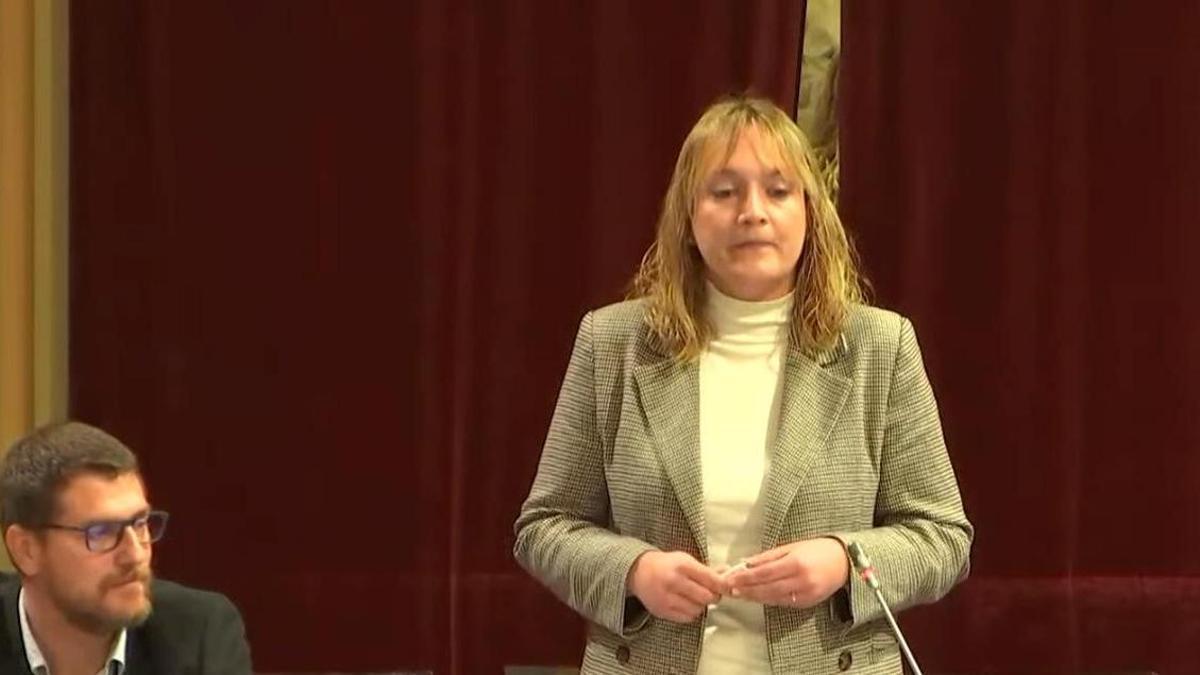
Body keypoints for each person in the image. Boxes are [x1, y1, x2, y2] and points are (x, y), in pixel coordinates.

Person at [514, 95, 972, 674]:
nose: (752, 211)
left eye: (778, 191)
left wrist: (843, 560)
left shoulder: (881, 347)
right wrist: (634, 571)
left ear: (810, 210)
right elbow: (545, 527)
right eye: (724, 192)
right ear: (687, 214)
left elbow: (943, 538)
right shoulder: (613, 343)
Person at [0, 421, 252, 674]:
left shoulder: (201, 633)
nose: (135, 555)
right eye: (101, 532)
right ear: (26, 550)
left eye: (140, 523)